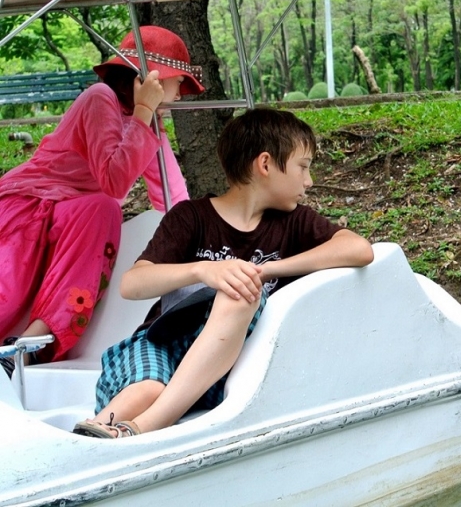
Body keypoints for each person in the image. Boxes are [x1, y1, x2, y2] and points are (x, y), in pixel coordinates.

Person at [72, 108, 374, 439]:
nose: (308, 181)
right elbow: (133, 284)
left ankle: (136, 429)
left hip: (221, 370)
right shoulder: (190, 217)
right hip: (160, 344)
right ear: (265, 164)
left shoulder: (294, 222)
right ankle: (93, 434)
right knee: (148, 389)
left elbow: (358, 249)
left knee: (242, 288)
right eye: (303, 167)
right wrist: (205, 270)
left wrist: (265, 270)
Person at [0, 26, 204, 372]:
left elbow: (172, 194)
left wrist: (198, 242)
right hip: (28, 203)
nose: (180, 95)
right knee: (8, 295)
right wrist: (142, 114)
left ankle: (31, 343)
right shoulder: (100, 97)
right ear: (149, 77)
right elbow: (113, 180)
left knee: (102, 209)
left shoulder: (147, 122)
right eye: (178, 82)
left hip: (73, 214)